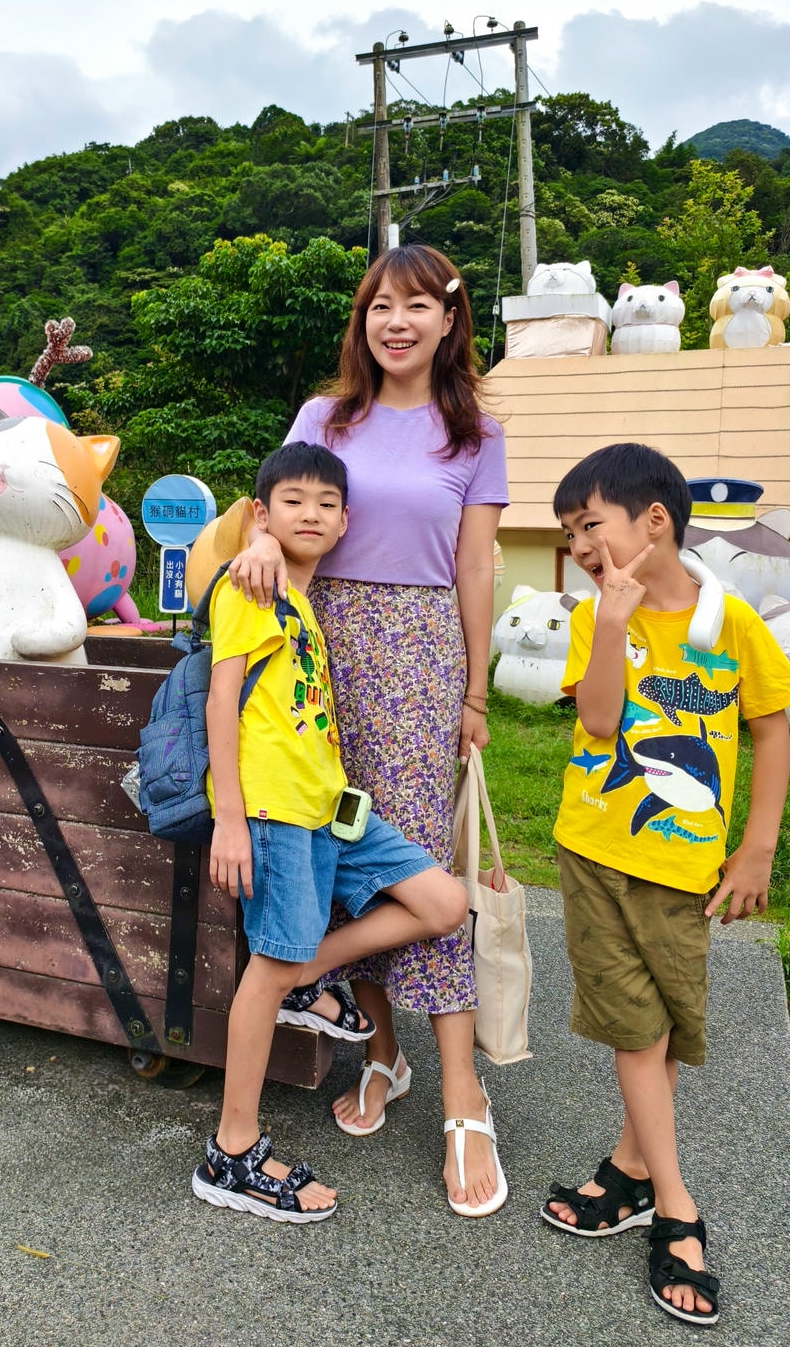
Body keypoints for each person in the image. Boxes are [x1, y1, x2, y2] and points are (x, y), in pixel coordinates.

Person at [229, 243, 509, 1216]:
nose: (397, 321)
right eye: (380, 305)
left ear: (447, 317)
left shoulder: (476, 433)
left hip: (421, 654)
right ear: (364, 318)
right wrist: (263, 541)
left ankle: (462, 1097)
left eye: (417, 305)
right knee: (348, 854)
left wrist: (475, 688)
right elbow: (276, 507)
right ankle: (382, 1052)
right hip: (319, 645)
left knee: (421, 858)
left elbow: (477, 570)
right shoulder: (325, 416)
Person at [543, 442, 790, 1328]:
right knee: (638, 1032)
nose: (578, 543)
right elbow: (601, 721)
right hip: (595, 853)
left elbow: (771, 727)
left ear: (655, 522)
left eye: (589, 525)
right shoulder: (593, 618)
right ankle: (677, 1210)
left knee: (662, 1030)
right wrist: (610, 621)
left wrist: (756, 846)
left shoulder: (732, 625)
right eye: (569, 532)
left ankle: (629, 1173)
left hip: (684, 867)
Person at [192, 441, 469, 1223]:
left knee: (442, 902)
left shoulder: (304, 600)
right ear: (261, 513)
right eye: (291, 502)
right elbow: (223, 704)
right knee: (265, 970)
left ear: (344, 521)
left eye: (324, 503)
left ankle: (309, 976)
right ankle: (232, 1151)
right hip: (275, 812)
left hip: (332, 808)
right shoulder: (250, 585)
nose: (309, 514)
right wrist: (231, 819)